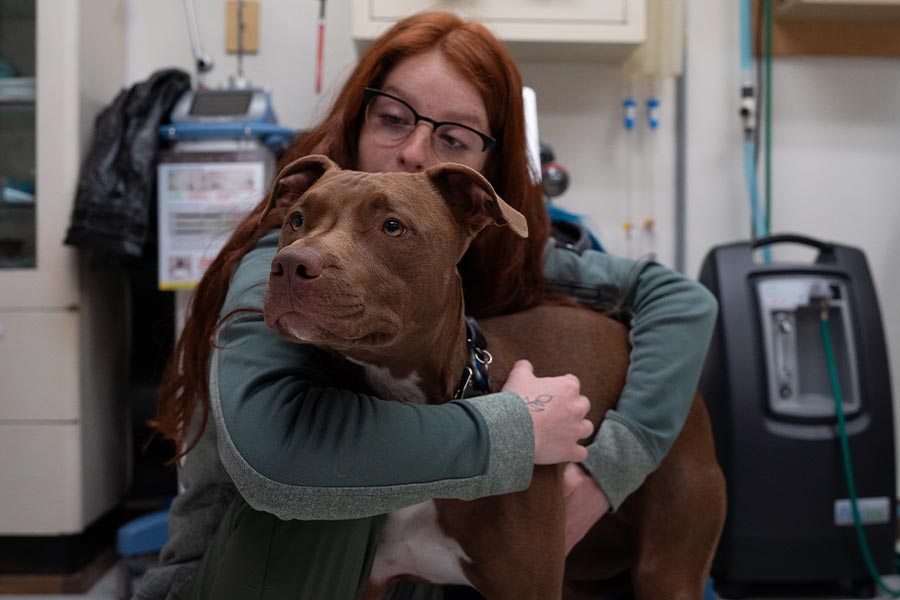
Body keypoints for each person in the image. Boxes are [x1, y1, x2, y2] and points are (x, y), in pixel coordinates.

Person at [134, 11, 717, 600]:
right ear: (357, 124)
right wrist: (514, 429)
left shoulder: (489, 249)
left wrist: (607, 469)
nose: (415, 151)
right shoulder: (275, 263)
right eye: (393, 118)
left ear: (482, 184)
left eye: (453, 138)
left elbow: (681, 298)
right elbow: (277, 460)